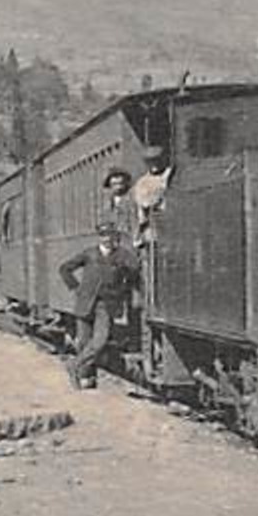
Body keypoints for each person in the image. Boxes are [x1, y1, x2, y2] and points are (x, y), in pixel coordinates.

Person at [57, 222, 138, 389]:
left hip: (106, 305)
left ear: (115, 237)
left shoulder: (122, 255)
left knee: (100, 342)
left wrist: (122, 290)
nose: (107, 239)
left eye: (110, 235)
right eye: (103, 235)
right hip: (85, 304)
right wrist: (75, 288)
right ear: (99, 237)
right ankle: (83, 378)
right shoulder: (89, 254)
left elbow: (134, 271)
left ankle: (73, 365)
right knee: (84, 343)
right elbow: (64, 268)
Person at [131, 145, 170, 246]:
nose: (154, 165)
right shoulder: (142, 182)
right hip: (154, 223)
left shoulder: (171, 174)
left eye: (157, 160)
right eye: (150, 161)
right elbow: (142, 204)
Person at [102, 167, 135, 239]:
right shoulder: (108, 203)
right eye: (114, 184)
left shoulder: (132, 199)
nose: (118, 187)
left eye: (121, 184)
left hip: (129, 237)